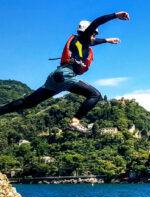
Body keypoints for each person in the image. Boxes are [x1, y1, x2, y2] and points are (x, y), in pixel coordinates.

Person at [0, 11, 130, 133]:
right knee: (95, 95)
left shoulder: (80, 41)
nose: (94, 36)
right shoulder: (83, 38)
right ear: (86, 31)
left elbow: (94, 42)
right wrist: (116, 15)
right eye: (94, 33)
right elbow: (96, 23)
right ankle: (75, 121)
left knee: (28, 102)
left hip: (57, 76)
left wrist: (108, 40)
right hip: (66, 74)